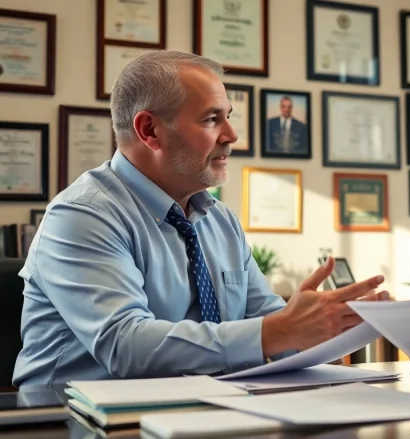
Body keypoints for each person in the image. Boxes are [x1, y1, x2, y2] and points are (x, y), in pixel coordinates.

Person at [12, 50, 388, 389]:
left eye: (228, 117)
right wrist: (280, 330)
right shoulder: (82, 215)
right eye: (212, 119)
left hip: (204, 409)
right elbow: (124, 345)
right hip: (69, 419)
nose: (232, 135)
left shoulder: (220, 220)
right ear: (149, 131)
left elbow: (270, 323)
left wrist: (329, 330)